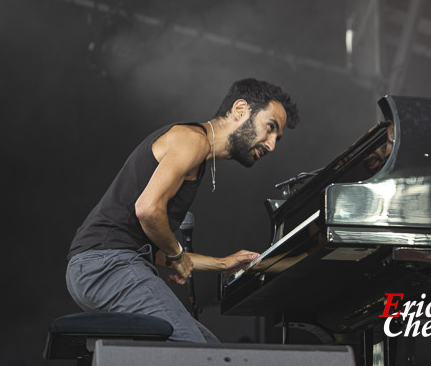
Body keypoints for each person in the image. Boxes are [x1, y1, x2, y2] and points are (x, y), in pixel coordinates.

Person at [65, 78, 300, 343]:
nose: (271, 145)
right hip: (105, 265)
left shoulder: (197, 152)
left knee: (212, 348)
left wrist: (222, 264)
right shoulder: (191, 140)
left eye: (276, 138)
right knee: (196, 353)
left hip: (105, 265)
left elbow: (155, 250)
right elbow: (148, 210)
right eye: (270, 128)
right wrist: (177, 253)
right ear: (240, 110)